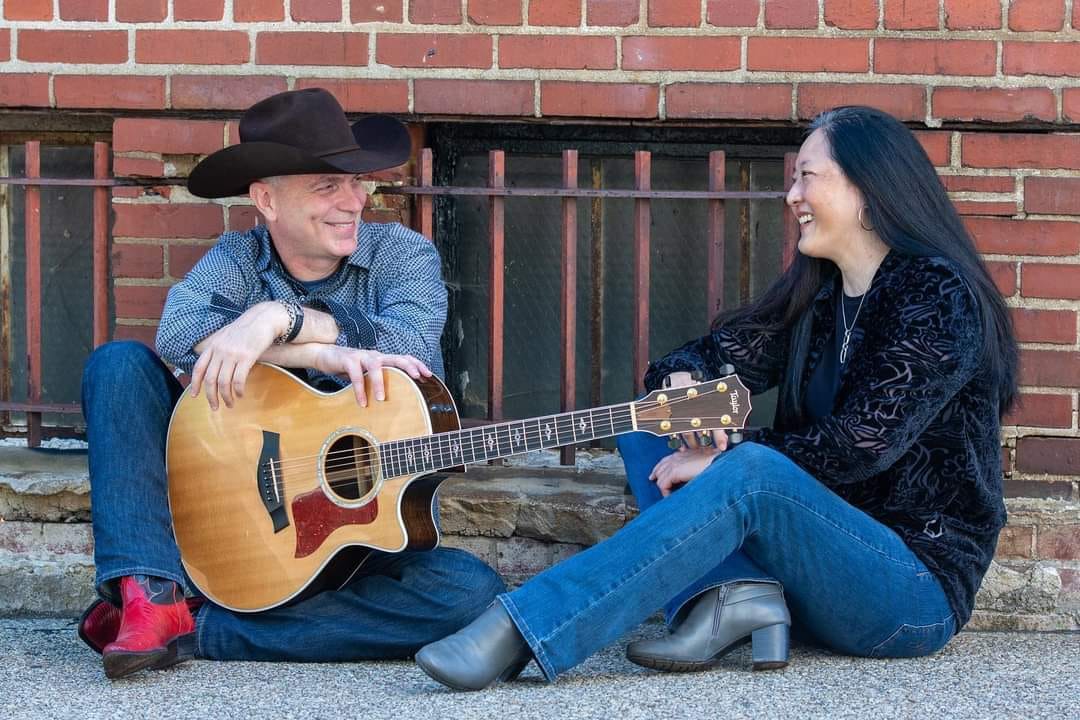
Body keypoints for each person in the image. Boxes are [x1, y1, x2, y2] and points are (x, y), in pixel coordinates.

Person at [413, 106, 1017, 691]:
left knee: (751, 471)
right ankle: (731, 595)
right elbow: (713, 353)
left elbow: (862, 446)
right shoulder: (822, 294)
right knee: (647, 428)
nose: (791, 197)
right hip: (806, 565)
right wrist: (680, 384)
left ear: (870, 187)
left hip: (908, 588)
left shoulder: (939, 296)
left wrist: (726, 458)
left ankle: (524, 628)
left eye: (807, 177)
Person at [77, 88, 504, 680]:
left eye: (356, 182)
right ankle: (150, 590)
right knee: (118, 365)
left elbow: (408, 352)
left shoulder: (402, 254)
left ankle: (200, 629)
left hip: (339, 550)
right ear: (266, 199)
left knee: (469, 592)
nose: (353, 200)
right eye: (327, 186)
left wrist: (278, 320)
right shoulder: (238, 259)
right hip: (229, 516)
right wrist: (325, 355)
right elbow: (179, 335)